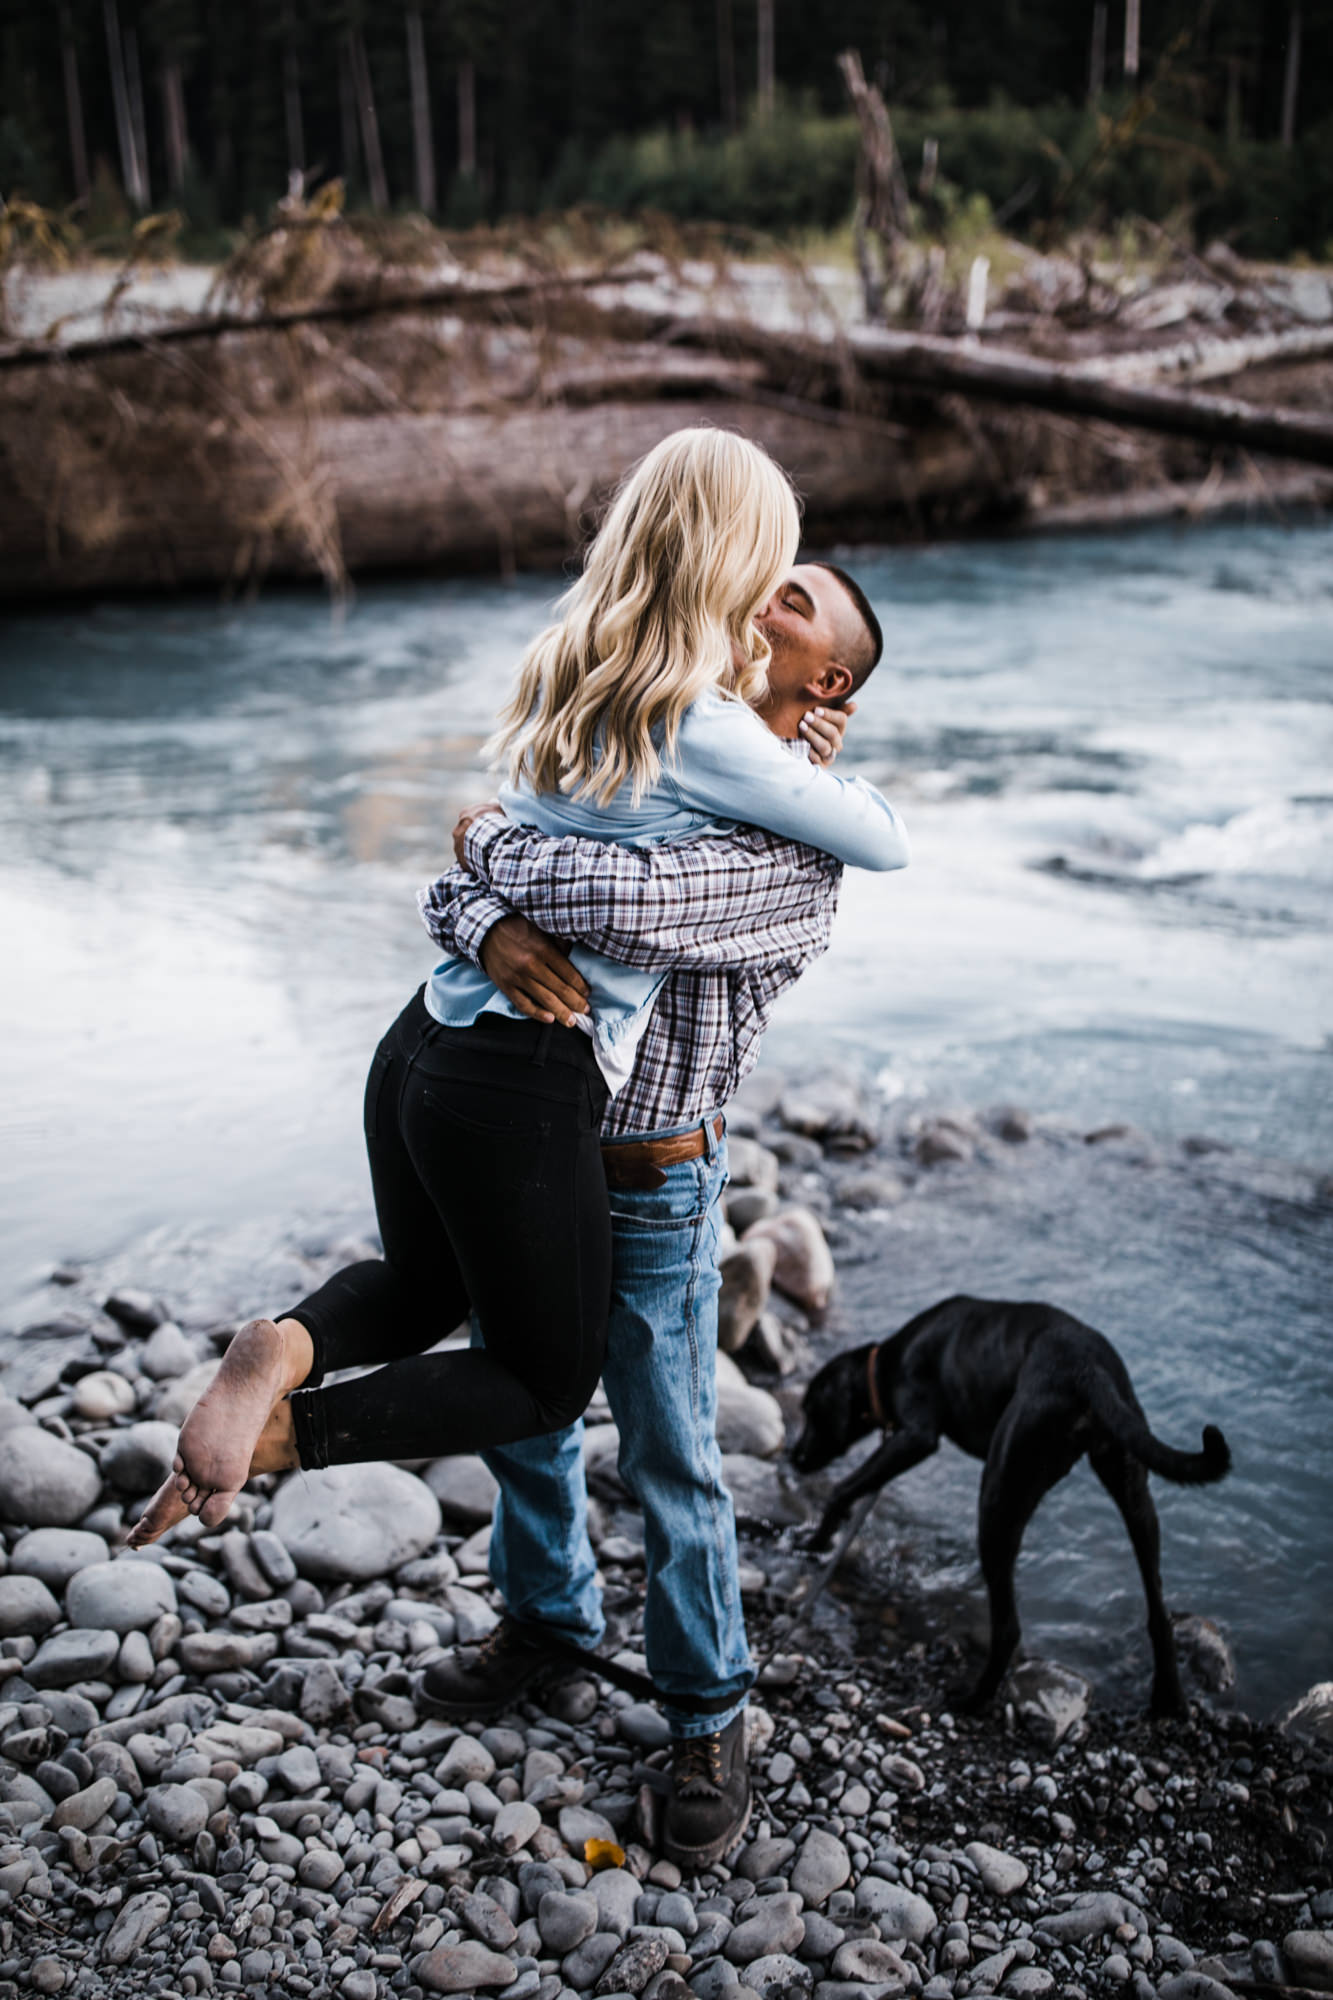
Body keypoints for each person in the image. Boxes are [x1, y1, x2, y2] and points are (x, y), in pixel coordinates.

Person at [131, 431, 904, 1550]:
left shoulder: (570, 665)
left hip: (422, 1042)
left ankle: (284, 1341)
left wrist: (484, 871)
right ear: (733, 566)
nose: (773, 602)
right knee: (546, 1382)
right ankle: (285, 1435)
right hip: (526, 1075)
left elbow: (487, 849)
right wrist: (809, 768)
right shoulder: (715, 730)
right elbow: (873, 841)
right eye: (774, 573)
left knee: (419, 1282)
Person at [412, 558, 904, 1870]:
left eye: (794, 604)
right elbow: (450, 902)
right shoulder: (638, 741)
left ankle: (705, 1713)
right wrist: (481, 924)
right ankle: (547, 1618)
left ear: (828, 682)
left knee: (672, 1449)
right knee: (522, 1406)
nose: (761, 602)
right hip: (528, 1142)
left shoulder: (792, 851)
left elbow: (611, 900)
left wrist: (478, 842)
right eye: (765, 582)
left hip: (647, 1177)